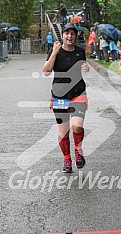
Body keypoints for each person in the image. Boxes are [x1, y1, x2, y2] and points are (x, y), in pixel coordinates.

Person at [42, 23, 88, 173]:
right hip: (59, 95)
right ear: (62, 36)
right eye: (67, 33)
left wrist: (85, 68)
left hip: (78, 93)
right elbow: (46, 71)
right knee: (63, 132)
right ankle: (67, 159)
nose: (69, 36)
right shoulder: (55, 51)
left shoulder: (80, 52)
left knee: (77, 126)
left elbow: (84, 67)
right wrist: (54, 52)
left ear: (75, 36)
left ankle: (78, 150)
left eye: (72, 34)